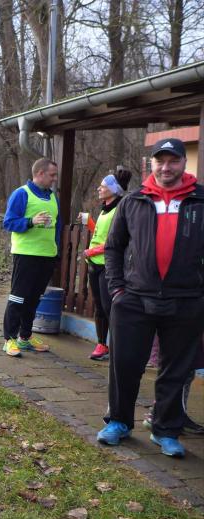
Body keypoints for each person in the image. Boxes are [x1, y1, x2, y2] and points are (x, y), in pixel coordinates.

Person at [97, 138, 204, 458]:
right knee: (124, 364)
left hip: (185, 300)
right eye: (160, 161)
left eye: (173, 161)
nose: (166, 167)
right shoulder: (134, 201)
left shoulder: (200, 200)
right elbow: (113, 247)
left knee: (175, 370)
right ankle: (119, 422)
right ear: (151, 164)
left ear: (184, 163)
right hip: (134, 298)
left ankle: (165, 430)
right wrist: (117, 289)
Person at [1, 158, 62, 357]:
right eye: (52, 175)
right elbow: (8, 222)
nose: (55, 179)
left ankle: (25, 337)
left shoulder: (53, 197)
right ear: (40, 174)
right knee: (18, 297)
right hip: (26, 255)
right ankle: (9, 339)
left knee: (34, 299)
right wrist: (30, 221)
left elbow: (57, 227)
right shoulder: (21, 194)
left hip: (47, 256)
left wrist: (57, 250)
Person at [78, 169, 132, 360]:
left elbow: (114, 241)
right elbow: (100, 234)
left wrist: (90, 251)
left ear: (114, 190)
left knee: (110, 308)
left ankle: (119, 347)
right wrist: (89, 222)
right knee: (99, 307)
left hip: (108, 266)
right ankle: (102, 345)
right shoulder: (105, 208)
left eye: (103, 186)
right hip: (94, 264)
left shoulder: (119, 211)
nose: (99, 188)